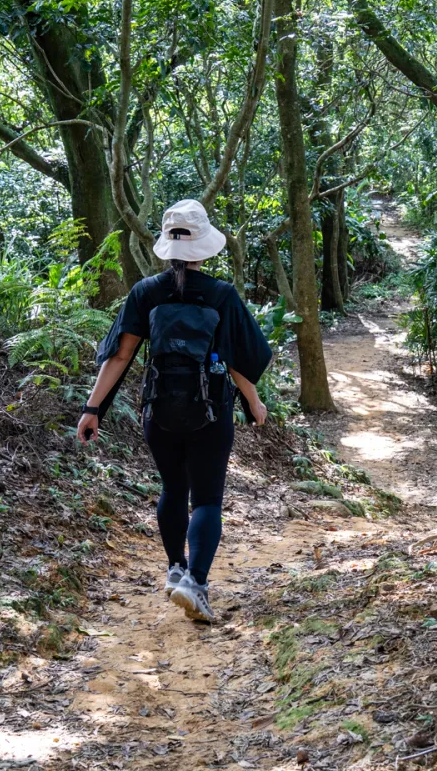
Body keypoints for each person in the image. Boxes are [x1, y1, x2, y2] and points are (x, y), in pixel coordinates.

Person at [76, 199, 272, 622]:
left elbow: (121, 355)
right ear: (203, 248)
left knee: (172, 488)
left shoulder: (146, 292)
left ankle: (175, 569)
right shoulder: (221, 295)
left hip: (158, 410)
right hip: (211, 412)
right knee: (206, 500)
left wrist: (93, 408)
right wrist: (253, 401)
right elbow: (239, 358)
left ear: (166, 246)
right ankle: (196, 585)